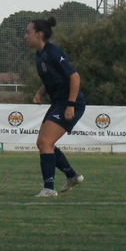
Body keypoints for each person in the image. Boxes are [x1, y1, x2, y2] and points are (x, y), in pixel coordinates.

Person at [26, 17, 85, 197]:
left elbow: (74, 77)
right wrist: (41, 92)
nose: (25, 36)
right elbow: (54, 79)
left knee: (45, 143)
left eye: (28, 32)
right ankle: (71, 175)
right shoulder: (39, 55)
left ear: (39, 34)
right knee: (43, 143)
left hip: (69, 103)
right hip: (58, 102)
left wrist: (70, 105)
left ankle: (49, 189)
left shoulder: (53, 52)